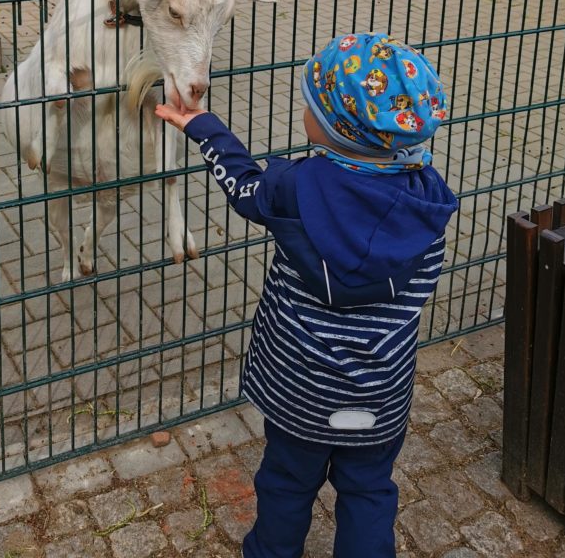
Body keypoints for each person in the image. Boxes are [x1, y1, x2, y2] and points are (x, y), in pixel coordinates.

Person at [156, 32, 458, 558]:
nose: (303, 109)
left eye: (311, 104)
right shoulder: (429, 203)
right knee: (368, 489)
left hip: (300, 394)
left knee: (286, 483)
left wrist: (204, 128)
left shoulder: (295, 189)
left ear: (337, 127)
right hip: (378, 398)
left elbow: (246, 188)